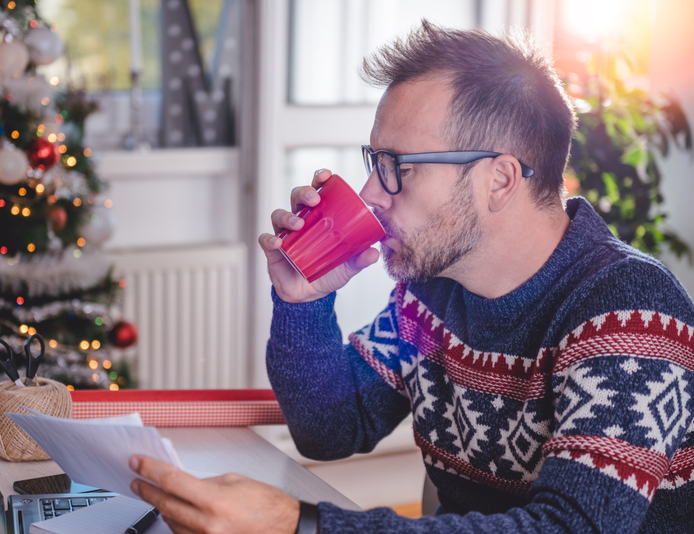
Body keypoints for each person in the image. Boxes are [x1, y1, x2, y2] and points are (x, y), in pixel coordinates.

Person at [127, 20, 694, 534]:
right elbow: (330, 427)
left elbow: (569, 529)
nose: (371, 193)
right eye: (376, 162)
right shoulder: (433, 294)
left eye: (399, 167)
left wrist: (299, 526)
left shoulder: (630, 309)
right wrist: (303, 301)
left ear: (499, 180)